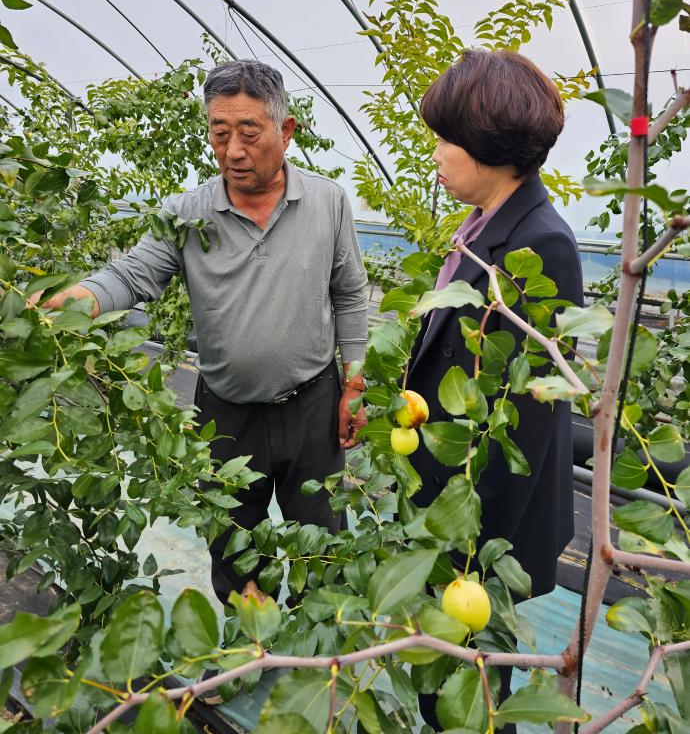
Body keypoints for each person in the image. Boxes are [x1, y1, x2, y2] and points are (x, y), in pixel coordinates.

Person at [40, 60, 369, 606]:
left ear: (285, 132)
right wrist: (69, 304)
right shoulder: (188, 214)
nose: (233, 150)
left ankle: (319, 656)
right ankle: (250, 646)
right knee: (235, 545)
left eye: (249, 133)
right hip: (227, 414)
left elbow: (352, 294)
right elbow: (129, 275)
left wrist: (354, 384)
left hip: (313, 405)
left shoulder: (328, 203)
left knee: (320, 542)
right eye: (220, 133)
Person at [407, 49, 583, 729]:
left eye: (446, 140)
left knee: (469, 691)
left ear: (487, 146)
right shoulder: (485, 229)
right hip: (446, 509)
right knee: (448, 683)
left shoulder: (539, 247)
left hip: (478, 530)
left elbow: (525, 424)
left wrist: (472, 560)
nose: (437, 155)